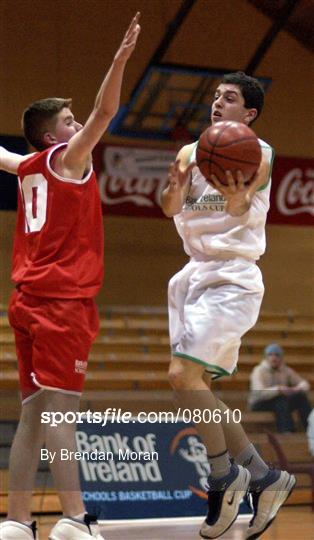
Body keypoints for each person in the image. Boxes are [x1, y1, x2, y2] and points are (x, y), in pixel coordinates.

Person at [0, 13, 140, 540]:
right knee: (62, 415)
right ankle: (75, 518)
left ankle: (15, 520)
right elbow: (108, 109)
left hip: (26, 301)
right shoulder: (66, 160)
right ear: (50, 136)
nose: (79, 123)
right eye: (68, 119)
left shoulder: (30, 167)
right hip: (61, 304)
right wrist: (120, 58)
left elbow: (4, 156)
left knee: (32, 415)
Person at [161, 71, 295, 540]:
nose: (218, 103)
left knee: (181, 375)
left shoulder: (259, 153)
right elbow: (167, 205)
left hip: (234, 278)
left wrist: (238, 196)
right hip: (193, 277)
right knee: (197, 389)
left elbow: (240, 209)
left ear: (249, 113)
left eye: (230, 98)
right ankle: (264, 476)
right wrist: (175, 187)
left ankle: (224, 476)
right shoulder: (188, 152)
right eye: (216, 96)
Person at [249, 343, 312, 433]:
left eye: (277, 355)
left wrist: (297, 388)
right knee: (281, 400)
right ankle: (286, 431)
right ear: (266, 357)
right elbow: (259, 393)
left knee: (301, 397)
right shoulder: (258, 371)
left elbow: (305, 384)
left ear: (281, 358)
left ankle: (310, 429)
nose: (274, 358)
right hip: (259, 403)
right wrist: (278, 389)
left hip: (281, 402)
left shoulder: (285, 370)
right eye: (270, 355)